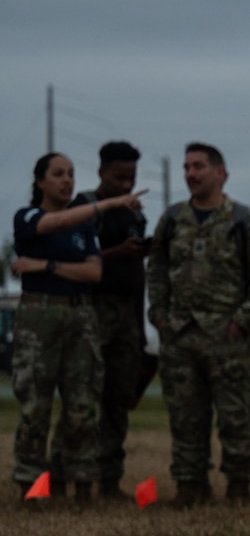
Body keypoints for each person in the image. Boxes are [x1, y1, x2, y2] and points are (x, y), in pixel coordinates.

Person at [148, 142, 250, 505]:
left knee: (237, 415)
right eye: (186, 167)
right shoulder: (172, 219)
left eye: (199, 166)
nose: (190, 174)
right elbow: (156, 270)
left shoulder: (243, 220)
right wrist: (159, 315)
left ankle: (238, 485)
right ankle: (189, 485)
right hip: (181, 335)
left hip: (228, 338)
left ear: (221, 173)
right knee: (185, 415)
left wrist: (242, 320)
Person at [10, 153, 118, 500]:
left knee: (82, 404)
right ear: (40, 181)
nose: (67, 180)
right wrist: (106, 205)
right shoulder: (28, 217)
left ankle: (77, 479)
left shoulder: (83, 226)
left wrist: (46, 265)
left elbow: (94, 273)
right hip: (39, 317)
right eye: (58, 174)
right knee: (35, 405)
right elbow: (51, 224)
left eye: (71, 174)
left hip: (80, 316)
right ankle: (30, 484)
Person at [73, 141, 151, 498]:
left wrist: (140, 327)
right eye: (119, 177)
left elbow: (137, 274)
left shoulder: (133, 213)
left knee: (119, 398)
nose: (126, 185)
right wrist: (117, 252)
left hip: (126, 314)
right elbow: (73, 260)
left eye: (131, 178)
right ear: (101, 172)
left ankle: (109, 479)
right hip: (91, 309)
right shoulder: (84, 208)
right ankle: (75, 478)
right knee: (82, 399)